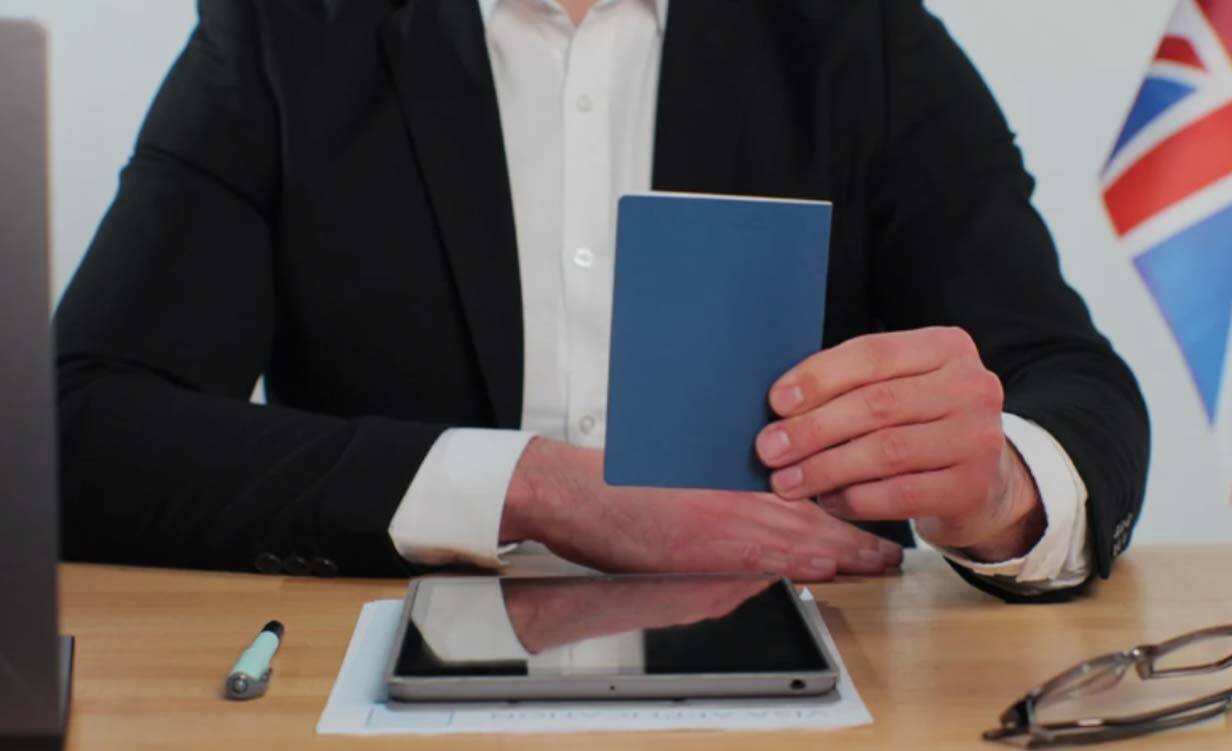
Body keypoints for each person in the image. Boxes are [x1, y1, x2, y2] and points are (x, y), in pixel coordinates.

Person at [54, 0, 1149, 601]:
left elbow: (1071, 387)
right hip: (379, 680)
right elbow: (75, 427)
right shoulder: (286, 35)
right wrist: (531, 487)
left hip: (800, 694)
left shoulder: (859, 36)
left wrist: (998, 484)